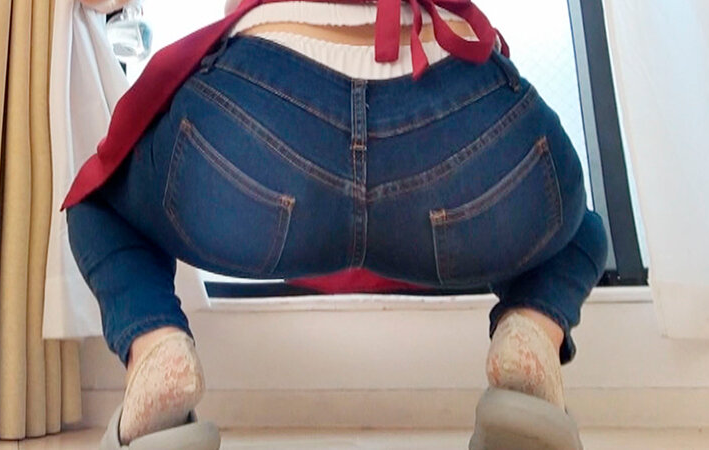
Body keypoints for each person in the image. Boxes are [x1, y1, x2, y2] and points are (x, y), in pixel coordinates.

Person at [72, 0, 609, 449]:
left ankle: (157, 350)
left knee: (101, 204)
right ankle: (530, 335)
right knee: (571, 229)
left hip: (259, 121)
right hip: (455, 115)